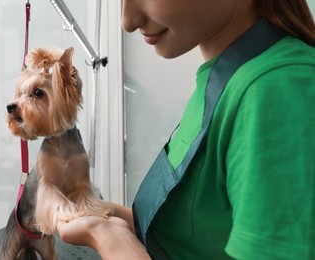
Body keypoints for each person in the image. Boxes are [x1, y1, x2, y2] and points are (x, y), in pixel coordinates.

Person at [57, 0, 315, 259]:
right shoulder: (223, 78)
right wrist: (102, 214)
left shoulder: (277, 92)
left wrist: (107, 237)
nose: (128, 21)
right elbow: (188, 239)